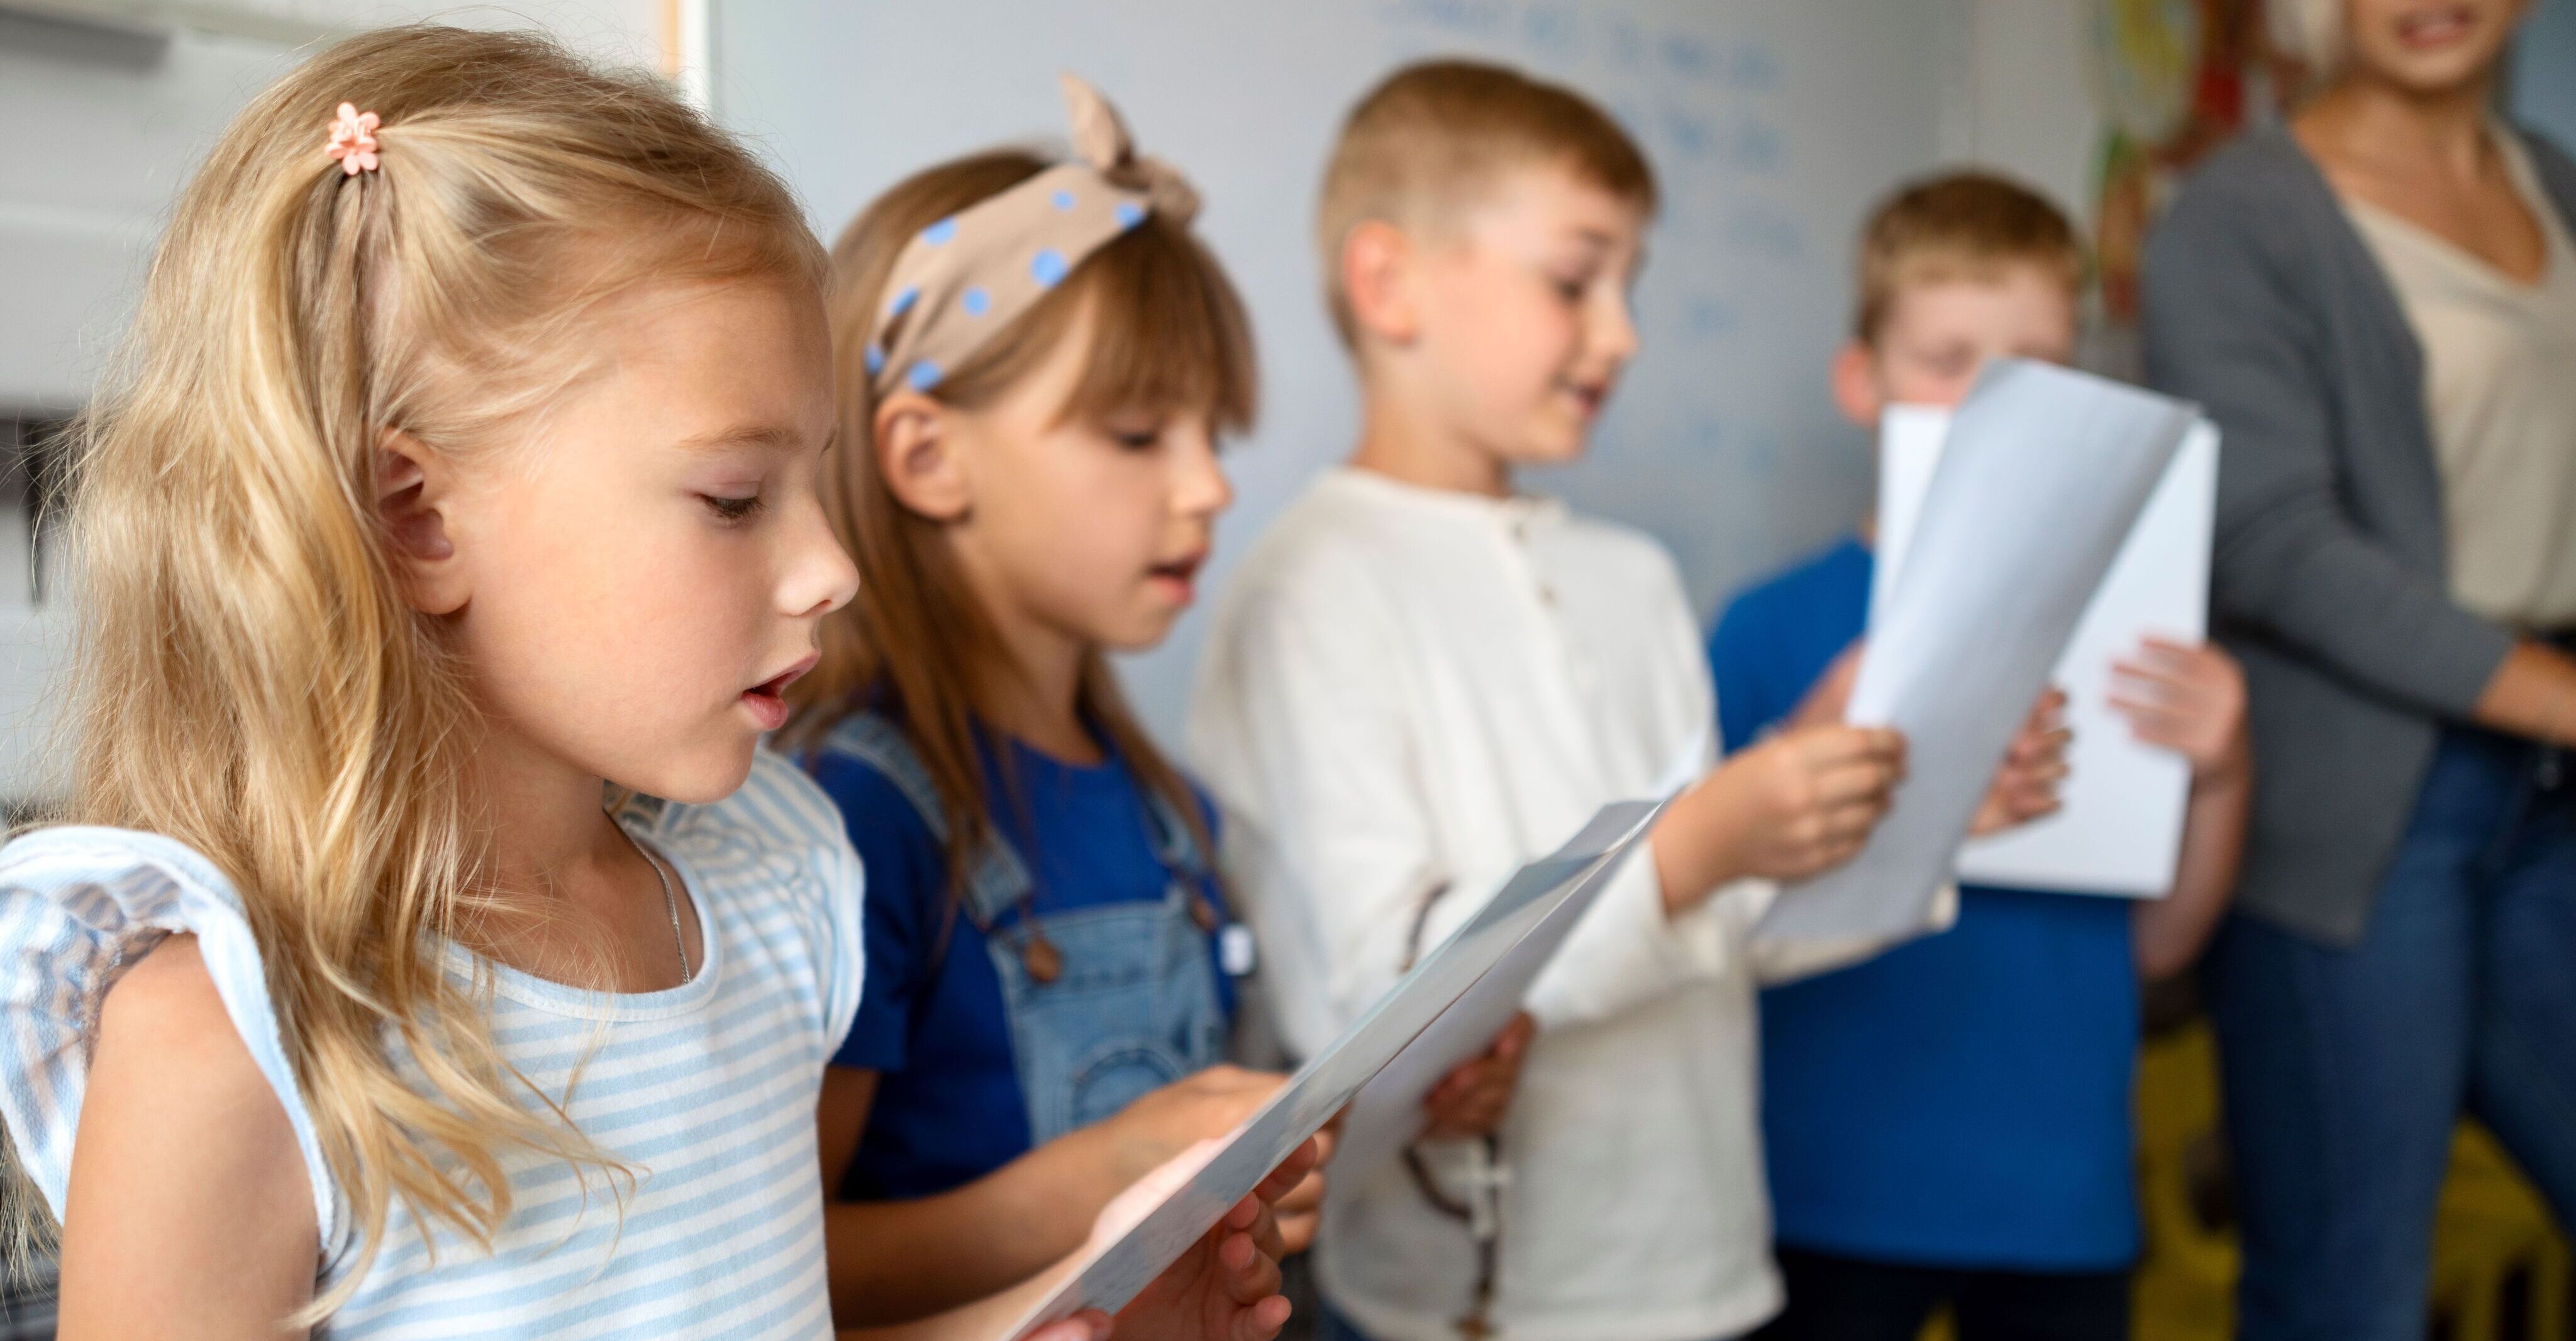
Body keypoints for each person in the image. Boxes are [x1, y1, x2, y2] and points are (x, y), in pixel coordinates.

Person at [0, 29, 1312, 1341]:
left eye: (812, 480)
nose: (831, 568)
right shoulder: (229, 1041)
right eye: (735, 498)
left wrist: (1068, 1310)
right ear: (418, 520)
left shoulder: (771, 897)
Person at [1188, 60, 2061, 1341]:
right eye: (1573, 278)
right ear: (1390, 284)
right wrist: (1696, 841)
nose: (1621, 332)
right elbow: (1369, 1011)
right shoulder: (1305, 593)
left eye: (1628, 284)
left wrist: (1894, 810)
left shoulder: (1633, 578)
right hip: (1477, 1310)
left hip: (1709, 1270)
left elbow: (1723, 927)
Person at [780, 77, 1331, 1330]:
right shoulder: (854, 815)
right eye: (1138, 433)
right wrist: (1101, 1180)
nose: (1205, 488)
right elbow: (778, 1267)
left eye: (1214, 435)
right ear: (927, 456)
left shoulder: (1169, 809)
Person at [1712, 172, 2251, 1341]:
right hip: (1819, 1195)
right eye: (1949, 360)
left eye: (2037, 366)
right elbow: (1706, 920)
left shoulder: (2133, 631)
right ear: (1864, 383)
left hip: (2059, 1202)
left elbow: (2165, 946)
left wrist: (2221, 774)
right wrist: (1809, 744)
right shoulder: (1771, 628)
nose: (1994, 404)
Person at [2141, 0, 2576, 1334]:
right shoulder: (2230, 218)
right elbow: (2272, 544)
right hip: (2358, 807)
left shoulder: (2550, 180)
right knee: (2349, 1292)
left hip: (2547, 784)